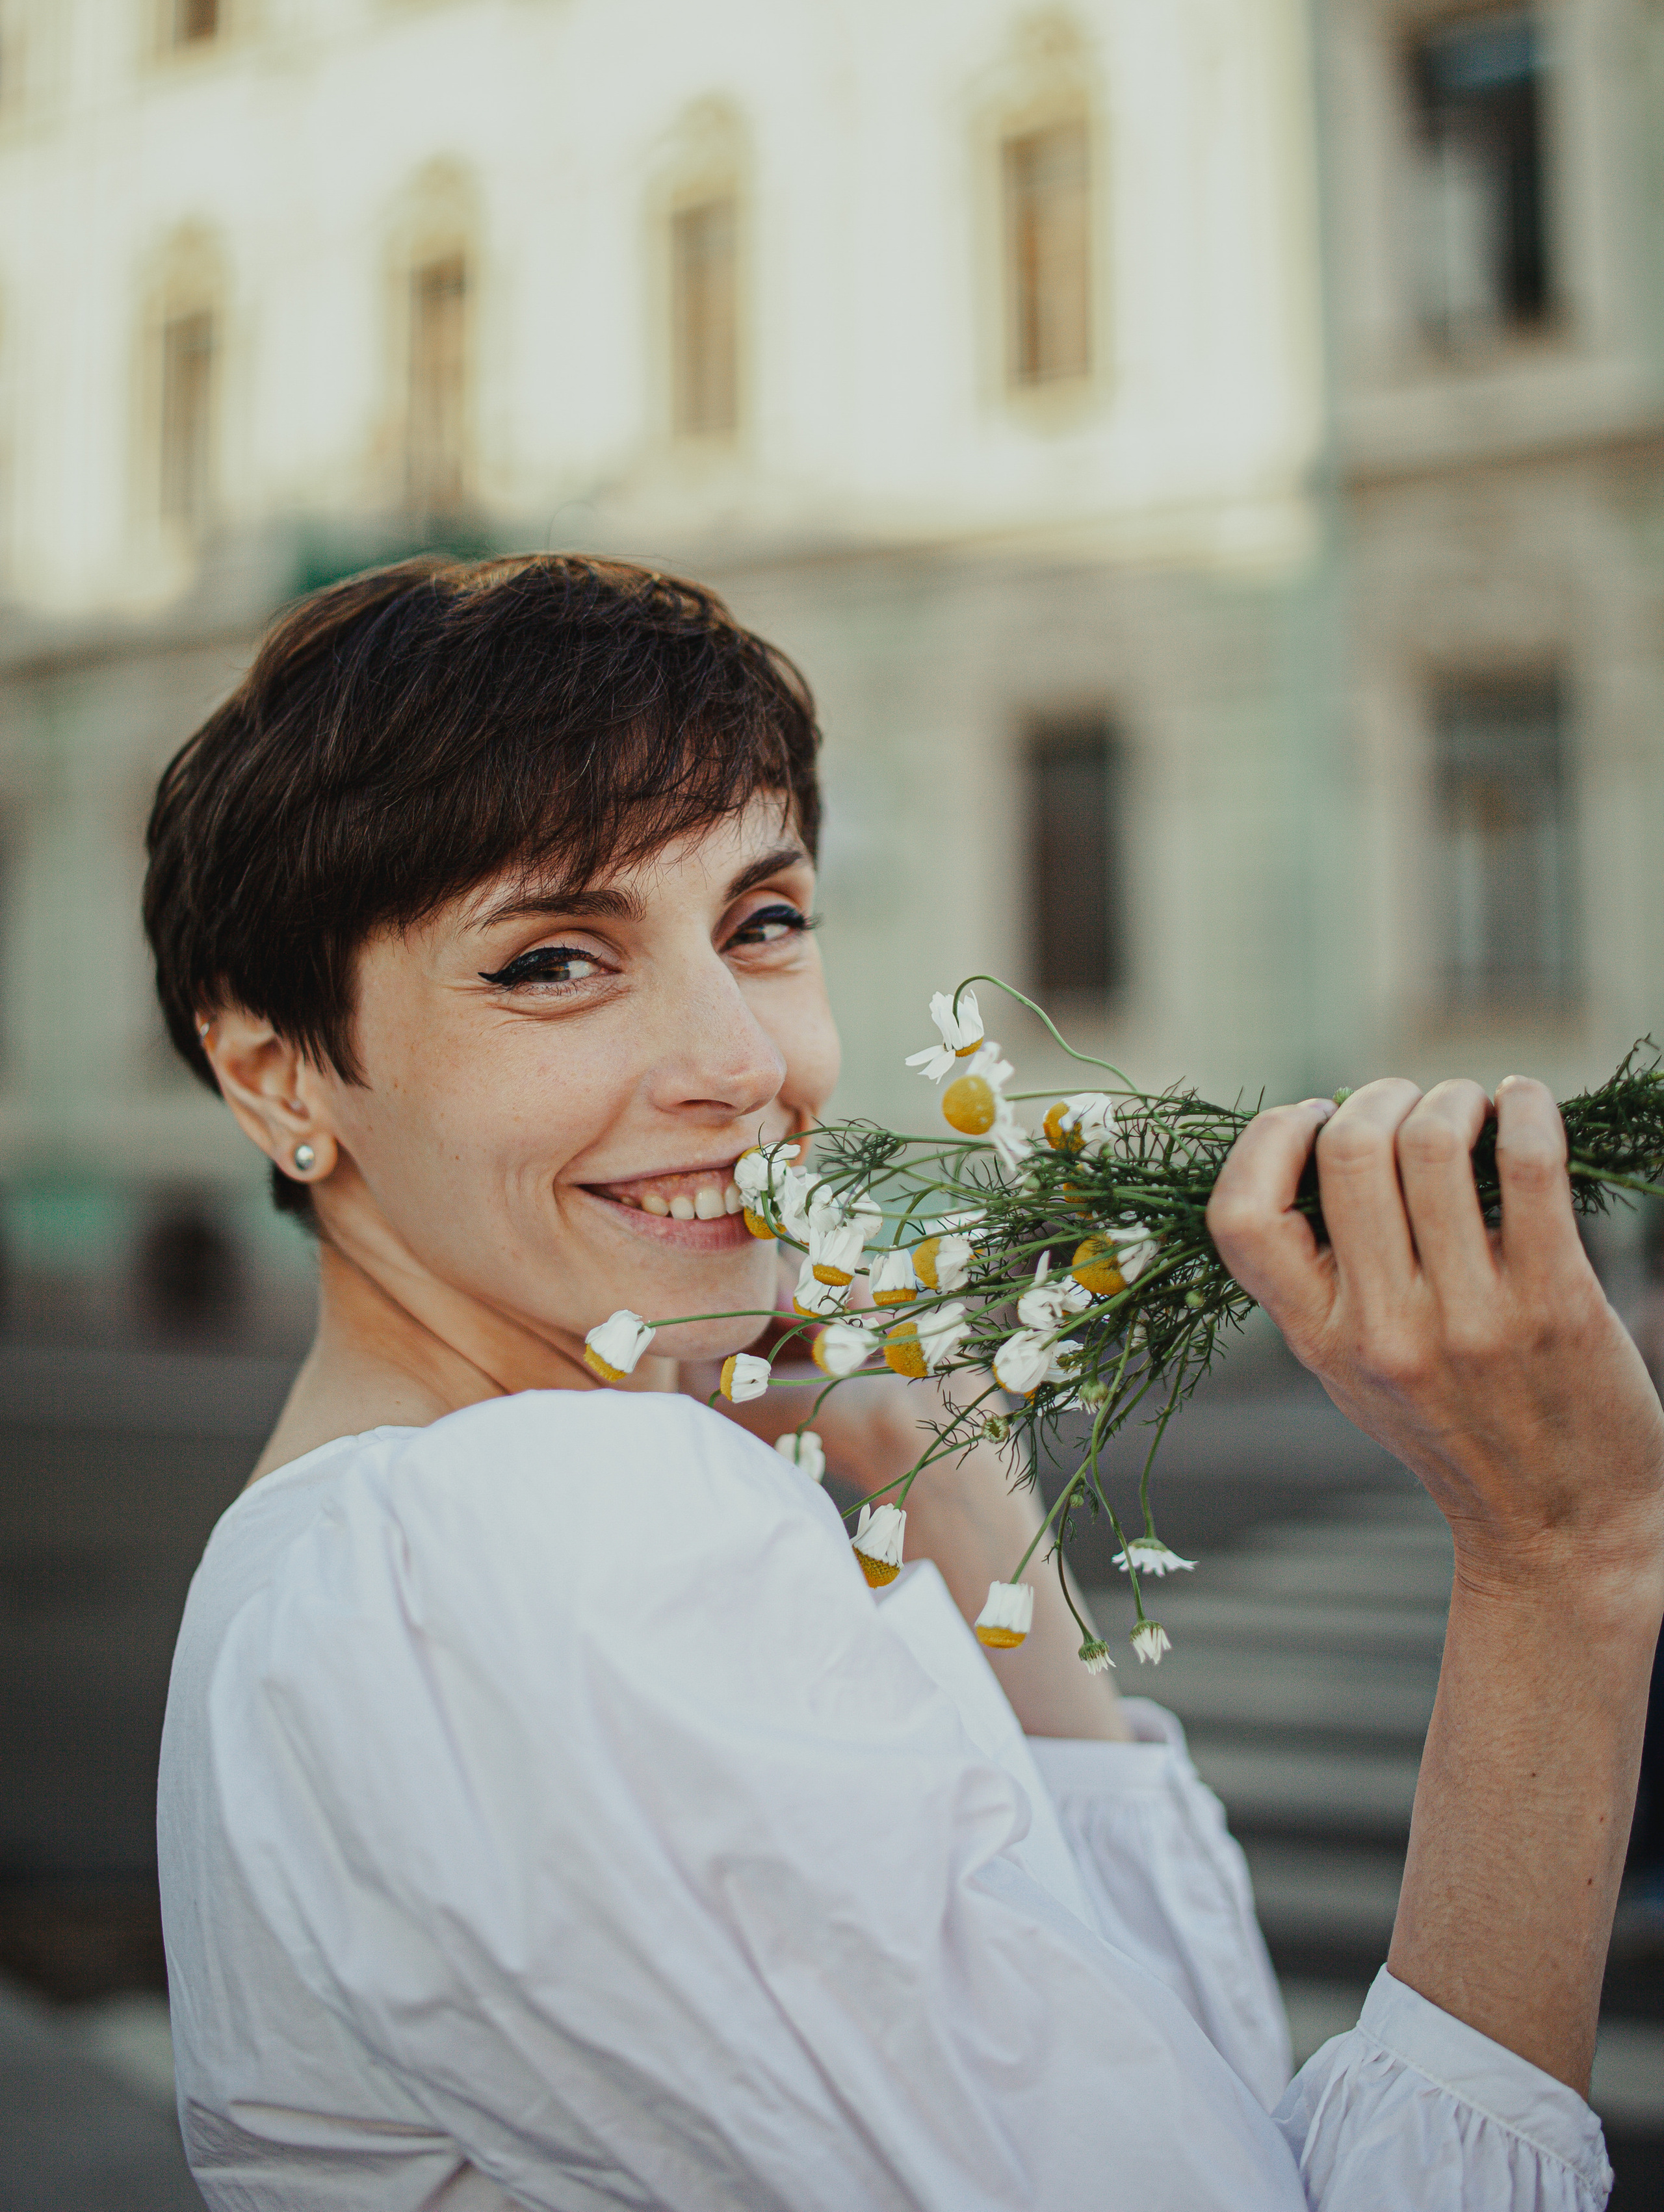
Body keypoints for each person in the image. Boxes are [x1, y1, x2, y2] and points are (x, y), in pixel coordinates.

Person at [148, 554, 1663, 2210]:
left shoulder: (351, 1550)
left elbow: (1182, 2090)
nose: (739, 1061)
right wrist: (1559, 1564)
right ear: (272, 1067)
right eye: (552, 961)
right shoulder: (533, 1543)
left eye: (763, 923)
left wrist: (934, 1467)